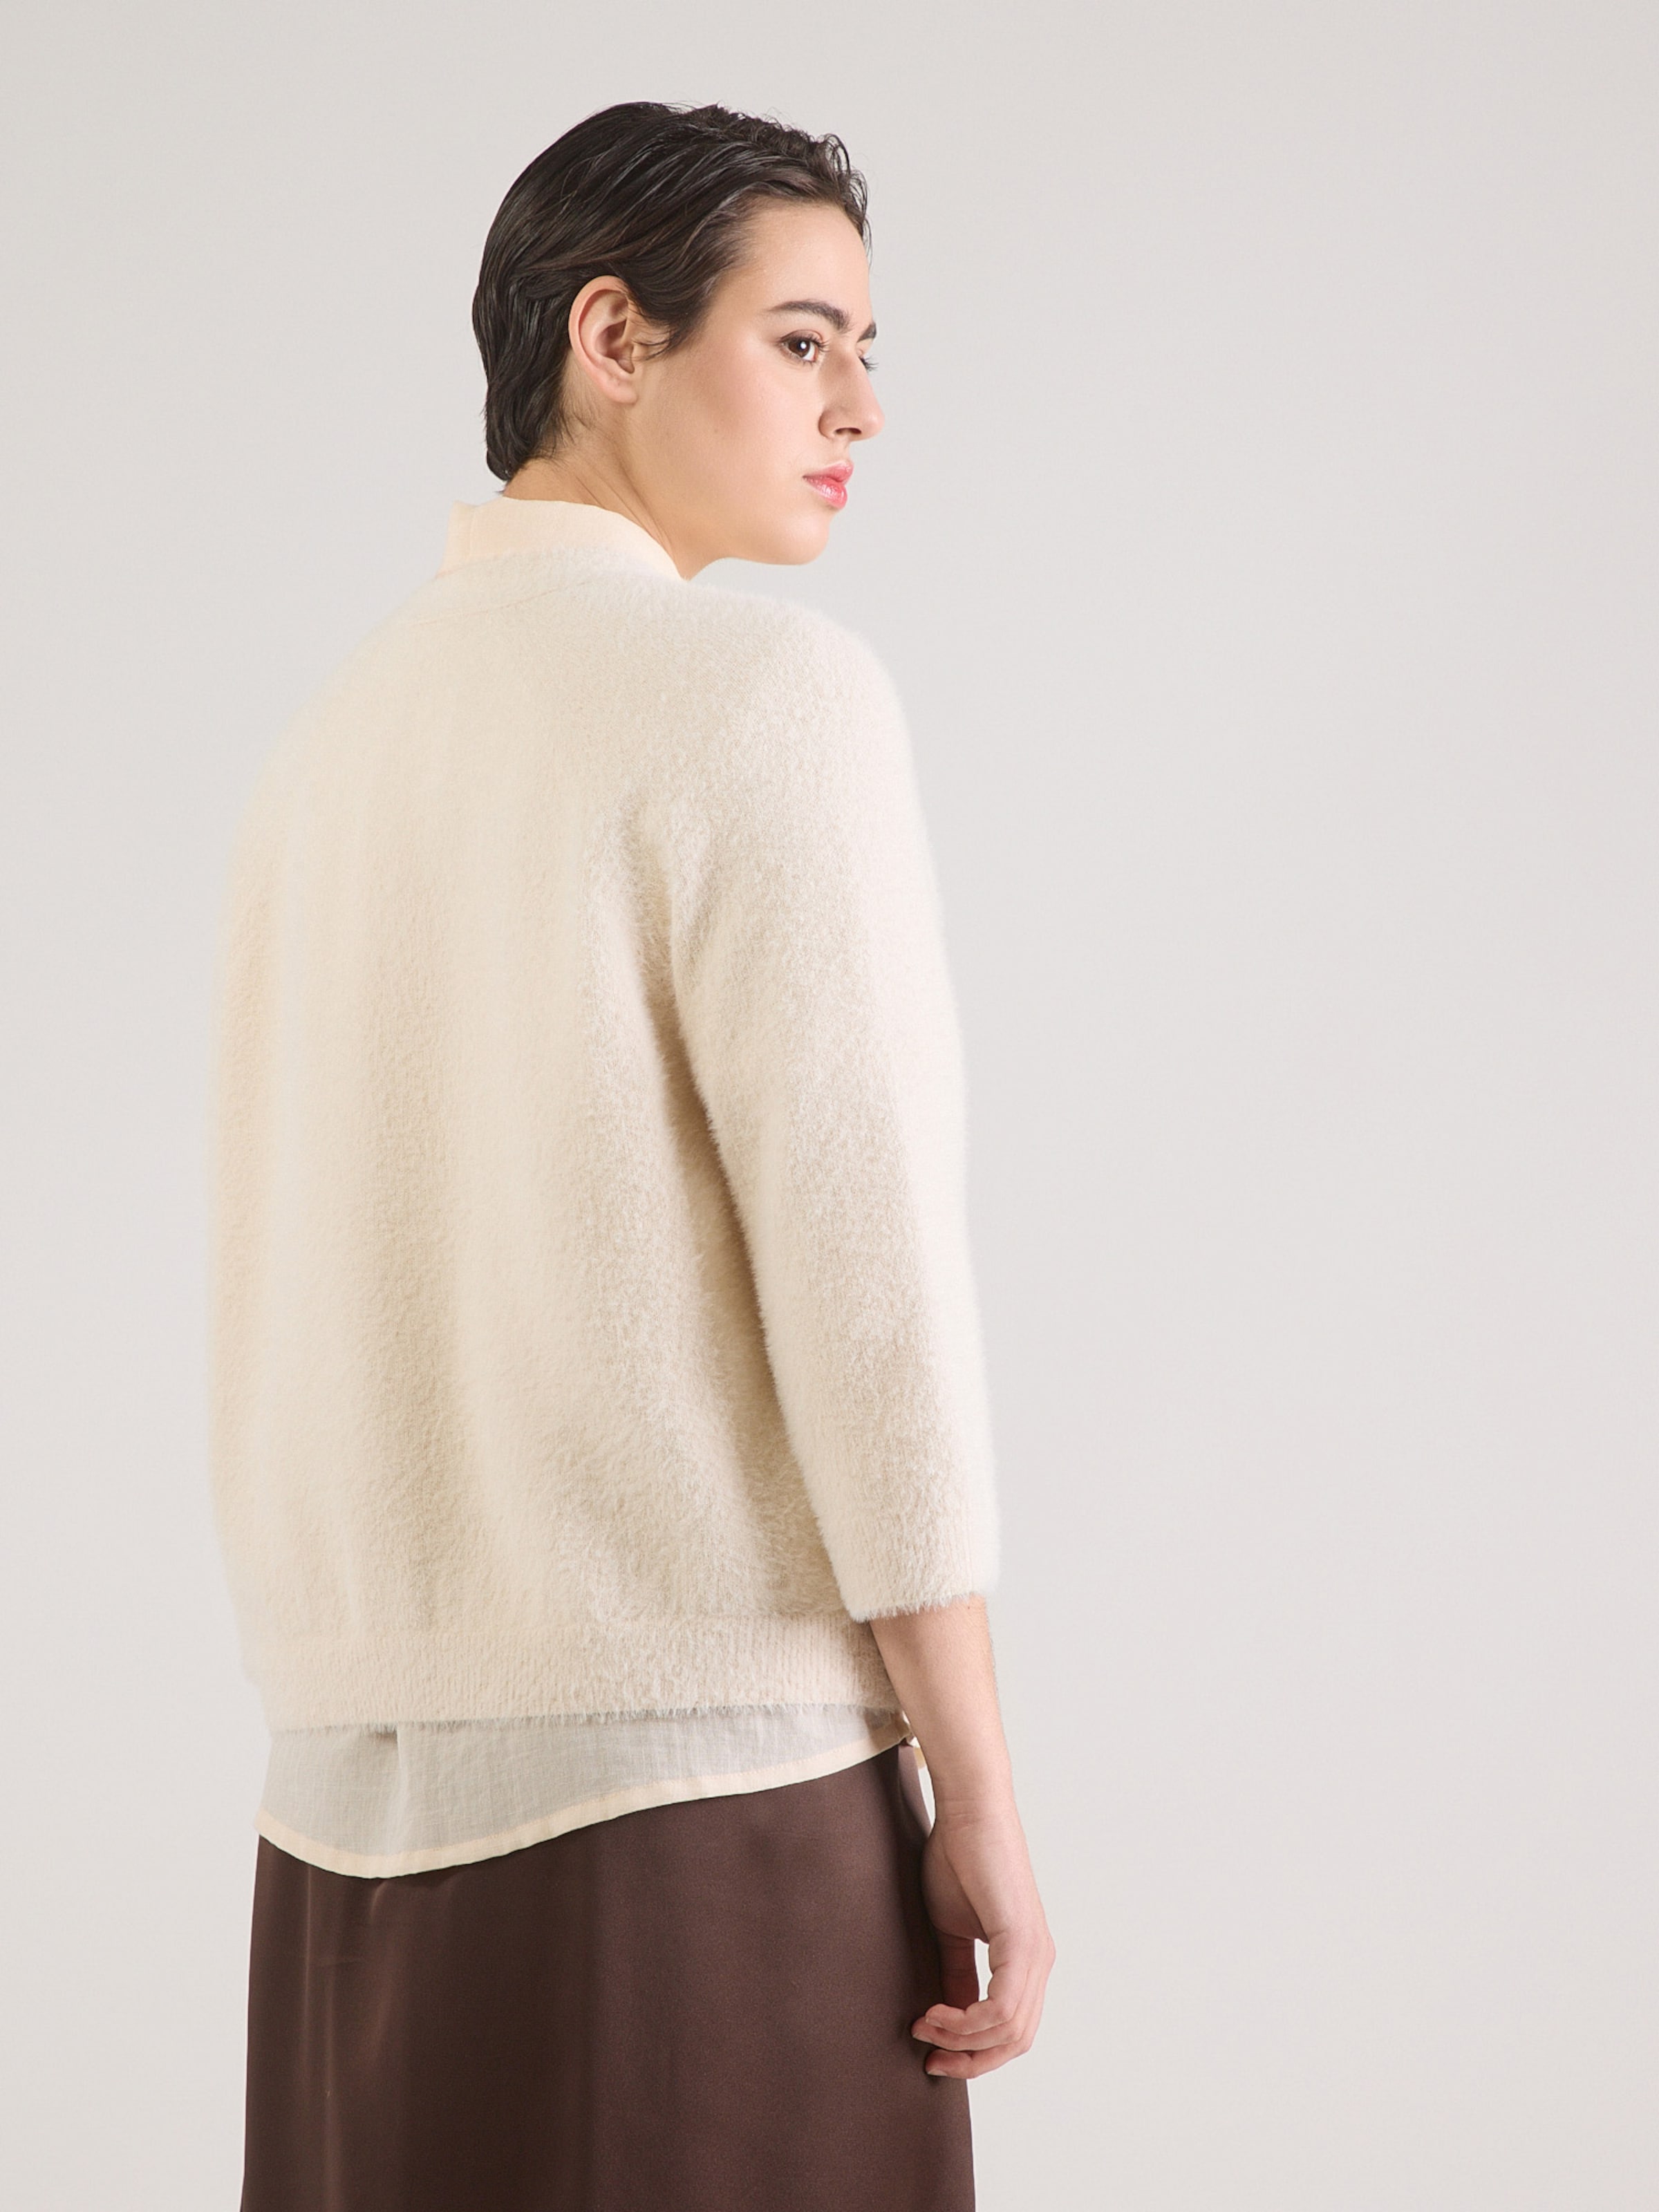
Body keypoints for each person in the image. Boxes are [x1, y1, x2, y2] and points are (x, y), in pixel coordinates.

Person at [209, 100, 1053, 2212]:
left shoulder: (326, 749)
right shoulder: (761, 697)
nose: (862, 408)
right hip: (710, 1817)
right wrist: (978, 1787)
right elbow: (867, 1284)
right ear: (613, 337)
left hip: (341, 1846)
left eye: (866, 350)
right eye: (804, 341)